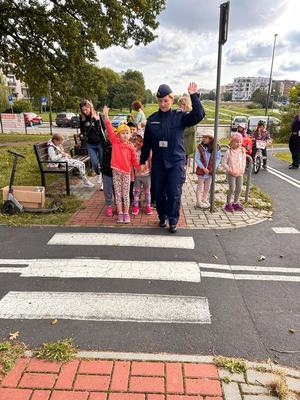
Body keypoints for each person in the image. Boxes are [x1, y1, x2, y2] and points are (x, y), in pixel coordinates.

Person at [140, 82, 205, 233]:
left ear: (171, 99)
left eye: (166, 100)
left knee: (174, 192)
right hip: (158, 163)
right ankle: (162, 216)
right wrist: (143, 160)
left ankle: (173, 220)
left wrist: (194, 96)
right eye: (160, 101)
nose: (163, 104)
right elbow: (147, 143)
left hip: (176, 162)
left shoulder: (179, 117)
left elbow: (199, 115)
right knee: (159, 193)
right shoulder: (152, 119)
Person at [102, 105, 140, 223]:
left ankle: (126, 213)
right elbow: (109, 128)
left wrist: (139, 167)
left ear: (130, 135)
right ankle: (120, 213)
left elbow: (134, 160)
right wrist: (106, 117)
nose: (125, 134)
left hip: (127, 173)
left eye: (127, 133)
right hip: (116, 171)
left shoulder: (131, 147)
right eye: (122, 133)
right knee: (118, 193)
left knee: (126, 194)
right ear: (118, 135)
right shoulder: (115, 142)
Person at [79, 99, 105, 188]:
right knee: (94, 163)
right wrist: (82, 136)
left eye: (86, 109)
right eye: (83, 110)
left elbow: (103, 128)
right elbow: (82, 130)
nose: (85, 112)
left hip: (100, 143)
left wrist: (97, 121)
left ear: (90, 107)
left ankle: (103, 182)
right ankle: (98, 174)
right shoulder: (82, 118)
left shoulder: (98, 115)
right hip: (90, 144)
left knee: (102, 163)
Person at [195, 130, 221, 208]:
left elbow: (218, 158)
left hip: (210, 171)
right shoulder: (200, 147)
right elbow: (197, 158)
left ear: (211, 138)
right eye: (203, 137)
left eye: (206, 137)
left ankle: (204, 199)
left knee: (207, 186)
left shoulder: (216, 147)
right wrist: (203, 168)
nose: (203, 139)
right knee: (200, 187)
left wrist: (213, 168)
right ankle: (198, 201)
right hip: (202, 171)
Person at [222, 132, 246, 212]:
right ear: (232, 142)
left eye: (240, 142)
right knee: (232, 189)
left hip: (240, 173)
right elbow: (223, 162)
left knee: (239, 188)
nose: (238, 143)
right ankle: (228, 204)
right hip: (231, 173)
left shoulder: (242, 150)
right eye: (236, 142)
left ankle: (235, 203)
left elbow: (244, 160)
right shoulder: (229, 152)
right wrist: (229, 169)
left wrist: (243, 168)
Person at [132, 130, 152, 215]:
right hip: (137, 175)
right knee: (136, 192)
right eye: (137, 140)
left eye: (141, 141)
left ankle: (148, 206)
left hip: (146, 175)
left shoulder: (148, 151)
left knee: (147, 192)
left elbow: (151, 161)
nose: (139, 142)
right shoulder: (134, 150)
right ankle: (136, 206)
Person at [178, 96, 197, 165]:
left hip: (186, 144)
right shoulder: (181, 114)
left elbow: (192, 128)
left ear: (187, 104)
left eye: (183, 104)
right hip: (182, 143)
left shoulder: (190, 115)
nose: (181, 106)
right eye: (180, 105)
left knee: (183, 163)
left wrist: (178, 132)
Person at [289, 104, 300, 169]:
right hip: (293, 134)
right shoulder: (296, 116)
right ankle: (294, 162)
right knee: (291, 148)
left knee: (296, 149)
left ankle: (296, 164)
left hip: (298, 136)